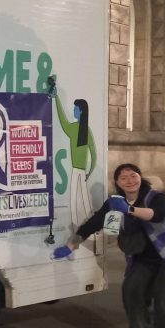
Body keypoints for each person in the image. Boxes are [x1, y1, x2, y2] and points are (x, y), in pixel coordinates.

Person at [52, 163, 165, 328]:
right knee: (132, 292)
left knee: (164, 298)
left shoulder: (155, 197)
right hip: (144, 259)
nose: (129, 180)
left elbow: (157, 214)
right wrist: (71, 245)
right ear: (117, 183)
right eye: (123, 177)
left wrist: (129, 210)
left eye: (133, 175)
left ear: (140, 177)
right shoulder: (114, 203)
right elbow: (94, 223)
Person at [55, 94, 96, 229]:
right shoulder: (87, 130)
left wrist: (56, 99)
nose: (73, 111)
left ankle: (75, 226)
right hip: (82, 171)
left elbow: (63, 121)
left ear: (81, 111)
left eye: (75, 109)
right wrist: (90, 171)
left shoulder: (74, 129)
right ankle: (91, 226)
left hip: (77, 170)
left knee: (75, 199)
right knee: (85, 200)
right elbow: (94, 154)